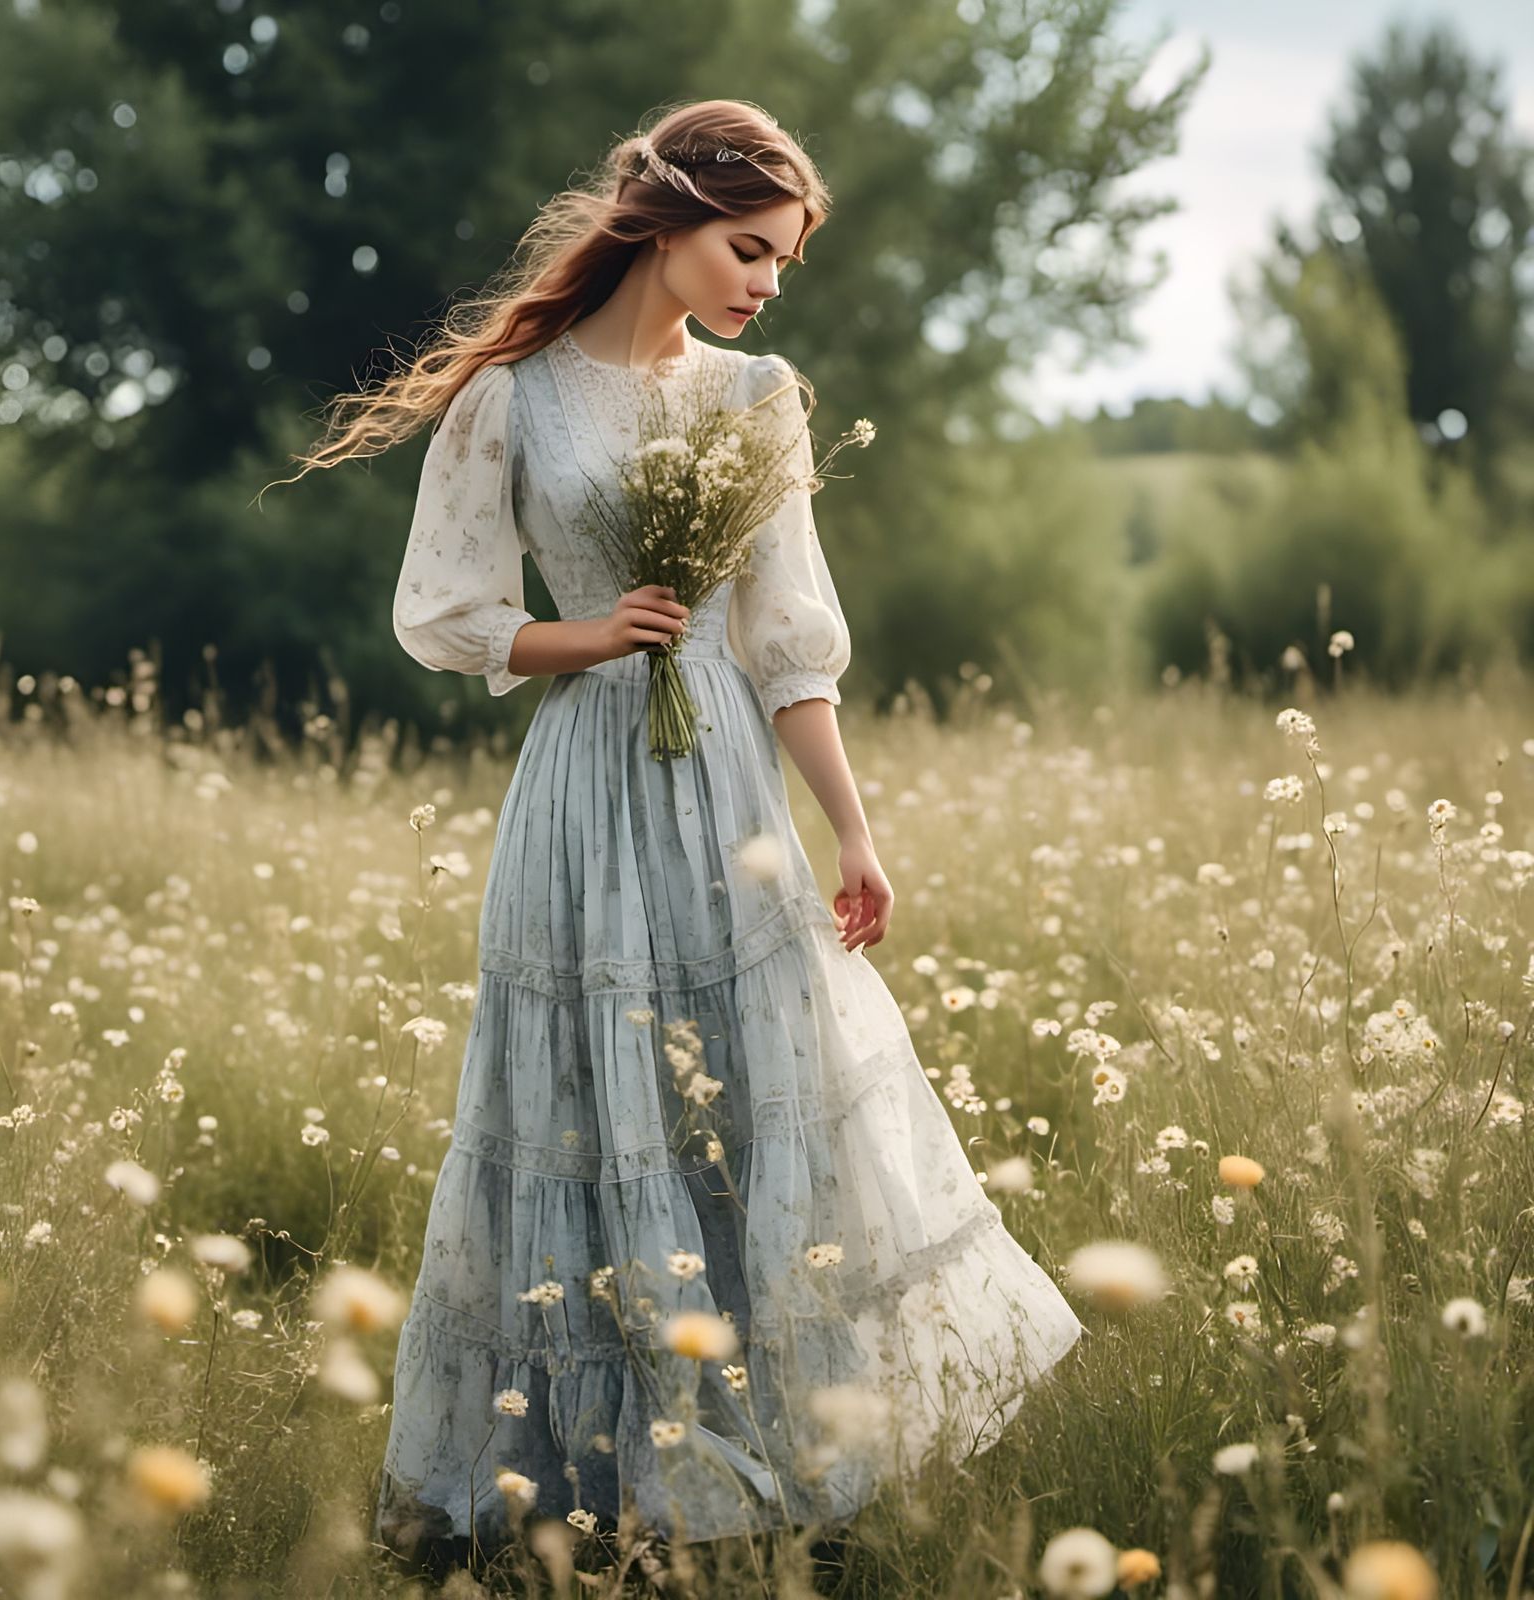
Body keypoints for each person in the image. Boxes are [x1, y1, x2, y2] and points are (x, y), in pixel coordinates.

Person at [285, 96, 1084, 1580]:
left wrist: (853, 829)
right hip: (586, 785)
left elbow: (786, 636)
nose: (764, 283)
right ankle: (585, 1481)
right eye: (747, 248)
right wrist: (583, 635)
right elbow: (444, 613)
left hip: (732, 792)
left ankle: (785, 1465)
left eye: (781, 262)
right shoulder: (512, 398)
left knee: (758, 1086)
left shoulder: (758, 393)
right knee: (594, 1102)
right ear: (667, 219)